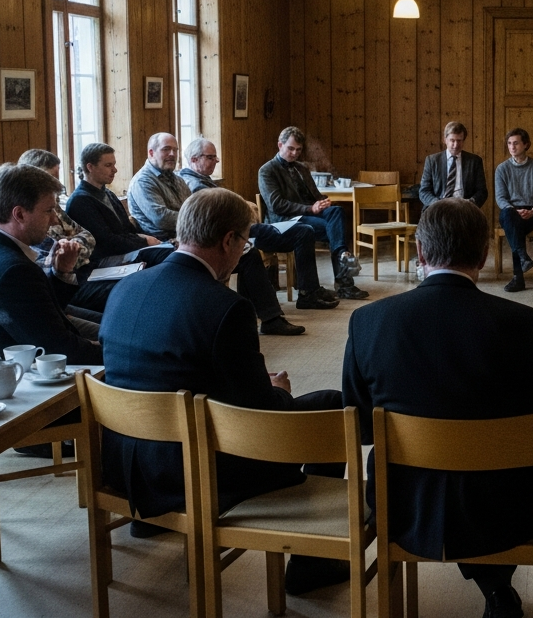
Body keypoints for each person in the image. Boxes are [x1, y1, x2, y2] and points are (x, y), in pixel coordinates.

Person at [98, 187, 349, 593]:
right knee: (330, 406)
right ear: (228, 240)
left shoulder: (126, 287)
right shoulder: (226, 307)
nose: (243, 253)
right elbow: (259, 414)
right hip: (195, 470)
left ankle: (148, 520)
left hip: (124, 464)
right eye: (245, 242)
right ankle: (313, 564)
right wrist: (280, 391)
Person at [342, 198, 533, 618]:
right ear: (484, 255)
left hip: (407, 502)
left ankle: (497, 589)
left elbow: (359, 430)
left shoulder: (369, 322)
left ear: (421, 253)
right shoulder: (522, 323)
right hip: (507, 510)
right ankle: (497, 586)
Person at [130, 133, 304, 336]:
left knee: (247, 253)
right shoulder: (143, 181)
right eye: (166, 150)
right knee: (240, 251)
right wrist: (197, 221)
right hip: (166, 244)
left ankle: (266, 318)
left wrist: (199, 222)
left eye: (175, 150)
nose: (172, 154)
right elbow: (161, 217)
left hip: (190, 238)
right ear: (151, 153)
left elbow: (194, 209)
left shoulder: (176, 180)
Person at [0, 163, 102, 367]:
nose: (54, 220)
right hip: (20, 377)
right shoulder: (13, 270)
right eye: (48, 211)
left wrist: (61, 273)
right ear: (20, 214)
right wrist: (118, 354)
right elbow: (58, 350)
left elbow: (40, 313)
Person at [177, 138, 338, 311]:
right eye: (211, 157)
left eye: (216, 157)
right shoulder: (193, 183)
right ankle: (307, 294)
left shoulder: (203, 178)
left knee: (307, 230)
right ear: (194, 159)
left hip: (243, 228)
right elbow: (221, 214)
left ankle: (309, 291)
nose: (216, 161)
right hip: (235, 232)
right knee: (302, 232)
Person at [258, 126, 368, 301]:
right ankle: (344, 283)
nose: (295, 153)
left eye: (299, 150)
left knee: (337, 212)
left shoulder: (302, 169)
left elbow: (315, 196)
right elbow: (276, 205)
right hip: (285, 221)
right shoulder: (267, 170)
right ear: (280, 145)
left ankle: (341, 255)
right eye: (291, 148)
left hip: (309, 215)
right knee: (334, 230)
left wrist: (324, 202)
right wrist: (310, 208)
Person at [17, 149, 116, 316]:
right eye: (50, 179)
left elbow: (88, 236)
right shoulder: (31, 214)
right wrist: (71, 247)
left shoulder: (54, 206)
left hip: (85, 270)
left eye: (56, 178)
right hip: (66, 283)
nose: (55, 184)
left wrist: (71, 247)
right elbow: (56, 257)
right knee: (119, 293)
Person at [65, 143, 170, 267]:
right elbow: (107, 242)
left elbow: (127, 229)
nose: (115, 170)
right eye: (108, 165)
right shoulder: (80, 201)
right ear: (90, 167)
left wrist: (150, 239)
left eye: (114, 164)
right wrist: (144, 241)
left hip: (123, 250)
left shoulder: (108, 194)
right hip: (102, 261)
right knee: (164, 255)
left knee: (171, 250)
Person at [493, 127, 533, 292]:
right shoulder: (502, 169)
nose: (512, 147)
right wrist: (513, 210)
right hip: (511, 211)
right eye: (509, 143)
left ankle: (519, 278)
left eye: (516, 143)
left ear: (526, 145)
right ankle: (522, 261)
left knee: (513, 227)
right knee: (511, 221)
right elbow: (500, 198)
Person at [418, 121, 488, 207]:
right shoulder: (432, 161)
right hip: (438, 207)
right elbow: (424, 191)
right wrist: (437, 204)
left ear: (463, 141)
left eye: (459, 141)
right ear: (445, 140)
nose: (455, 145)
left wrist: (470, 203)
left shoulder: (475, 161)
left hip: (464, 207)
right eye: (452, 140)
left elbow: (482, 191)